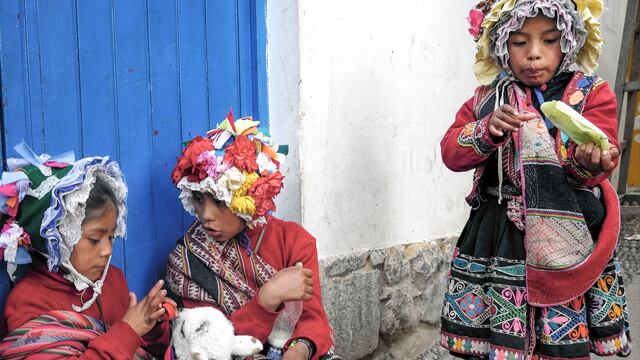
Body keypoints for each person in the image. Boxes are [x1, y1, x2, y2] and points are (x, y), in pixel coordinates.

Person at [439, 1, 630, 358]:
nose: (534, 55)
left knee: (561, 342)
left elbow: (603, 154)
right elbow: (451, 152)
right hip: (498, 235)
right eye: (520, 42)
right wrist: (486, 130)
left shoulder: (591, 94)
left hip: (570, 235)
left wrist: (589, 161)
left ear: (569, 41)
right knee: (497, 343)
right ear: (500, 44)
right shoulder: (486, 100)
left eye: (550, 40)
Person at [165, 112, 339, 360]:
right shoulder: (189, 261)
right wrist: (268, 298)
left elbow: (313, 317)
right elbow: (207, 341)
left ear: (251, 199)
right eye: (199, 200)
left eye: (219, 200)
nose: (206, 215)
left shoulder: (294, 241)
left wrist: (299, 349)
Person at [0, 143, 174, 359]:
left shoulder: (112, 281)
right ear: (56, 238)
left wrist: (151, 325)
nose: (108, 250)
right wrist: (128, 331)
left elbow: (144, 352)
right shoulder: (29, 301)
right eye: (94, 239)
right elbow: (125, 340)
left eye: (111, 237)